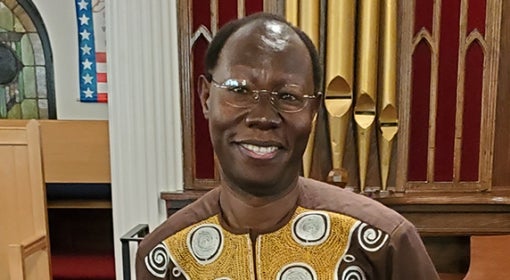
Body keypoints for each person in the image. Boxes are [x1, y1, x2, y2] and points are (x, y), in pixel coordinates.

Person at [136, 12, 439, 280]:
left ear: (314, 111)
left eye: (289, 96)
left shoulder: (383, 242)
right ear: (205, 98)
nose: (263, 117)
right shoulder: (164, 257)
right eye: (239, 90)